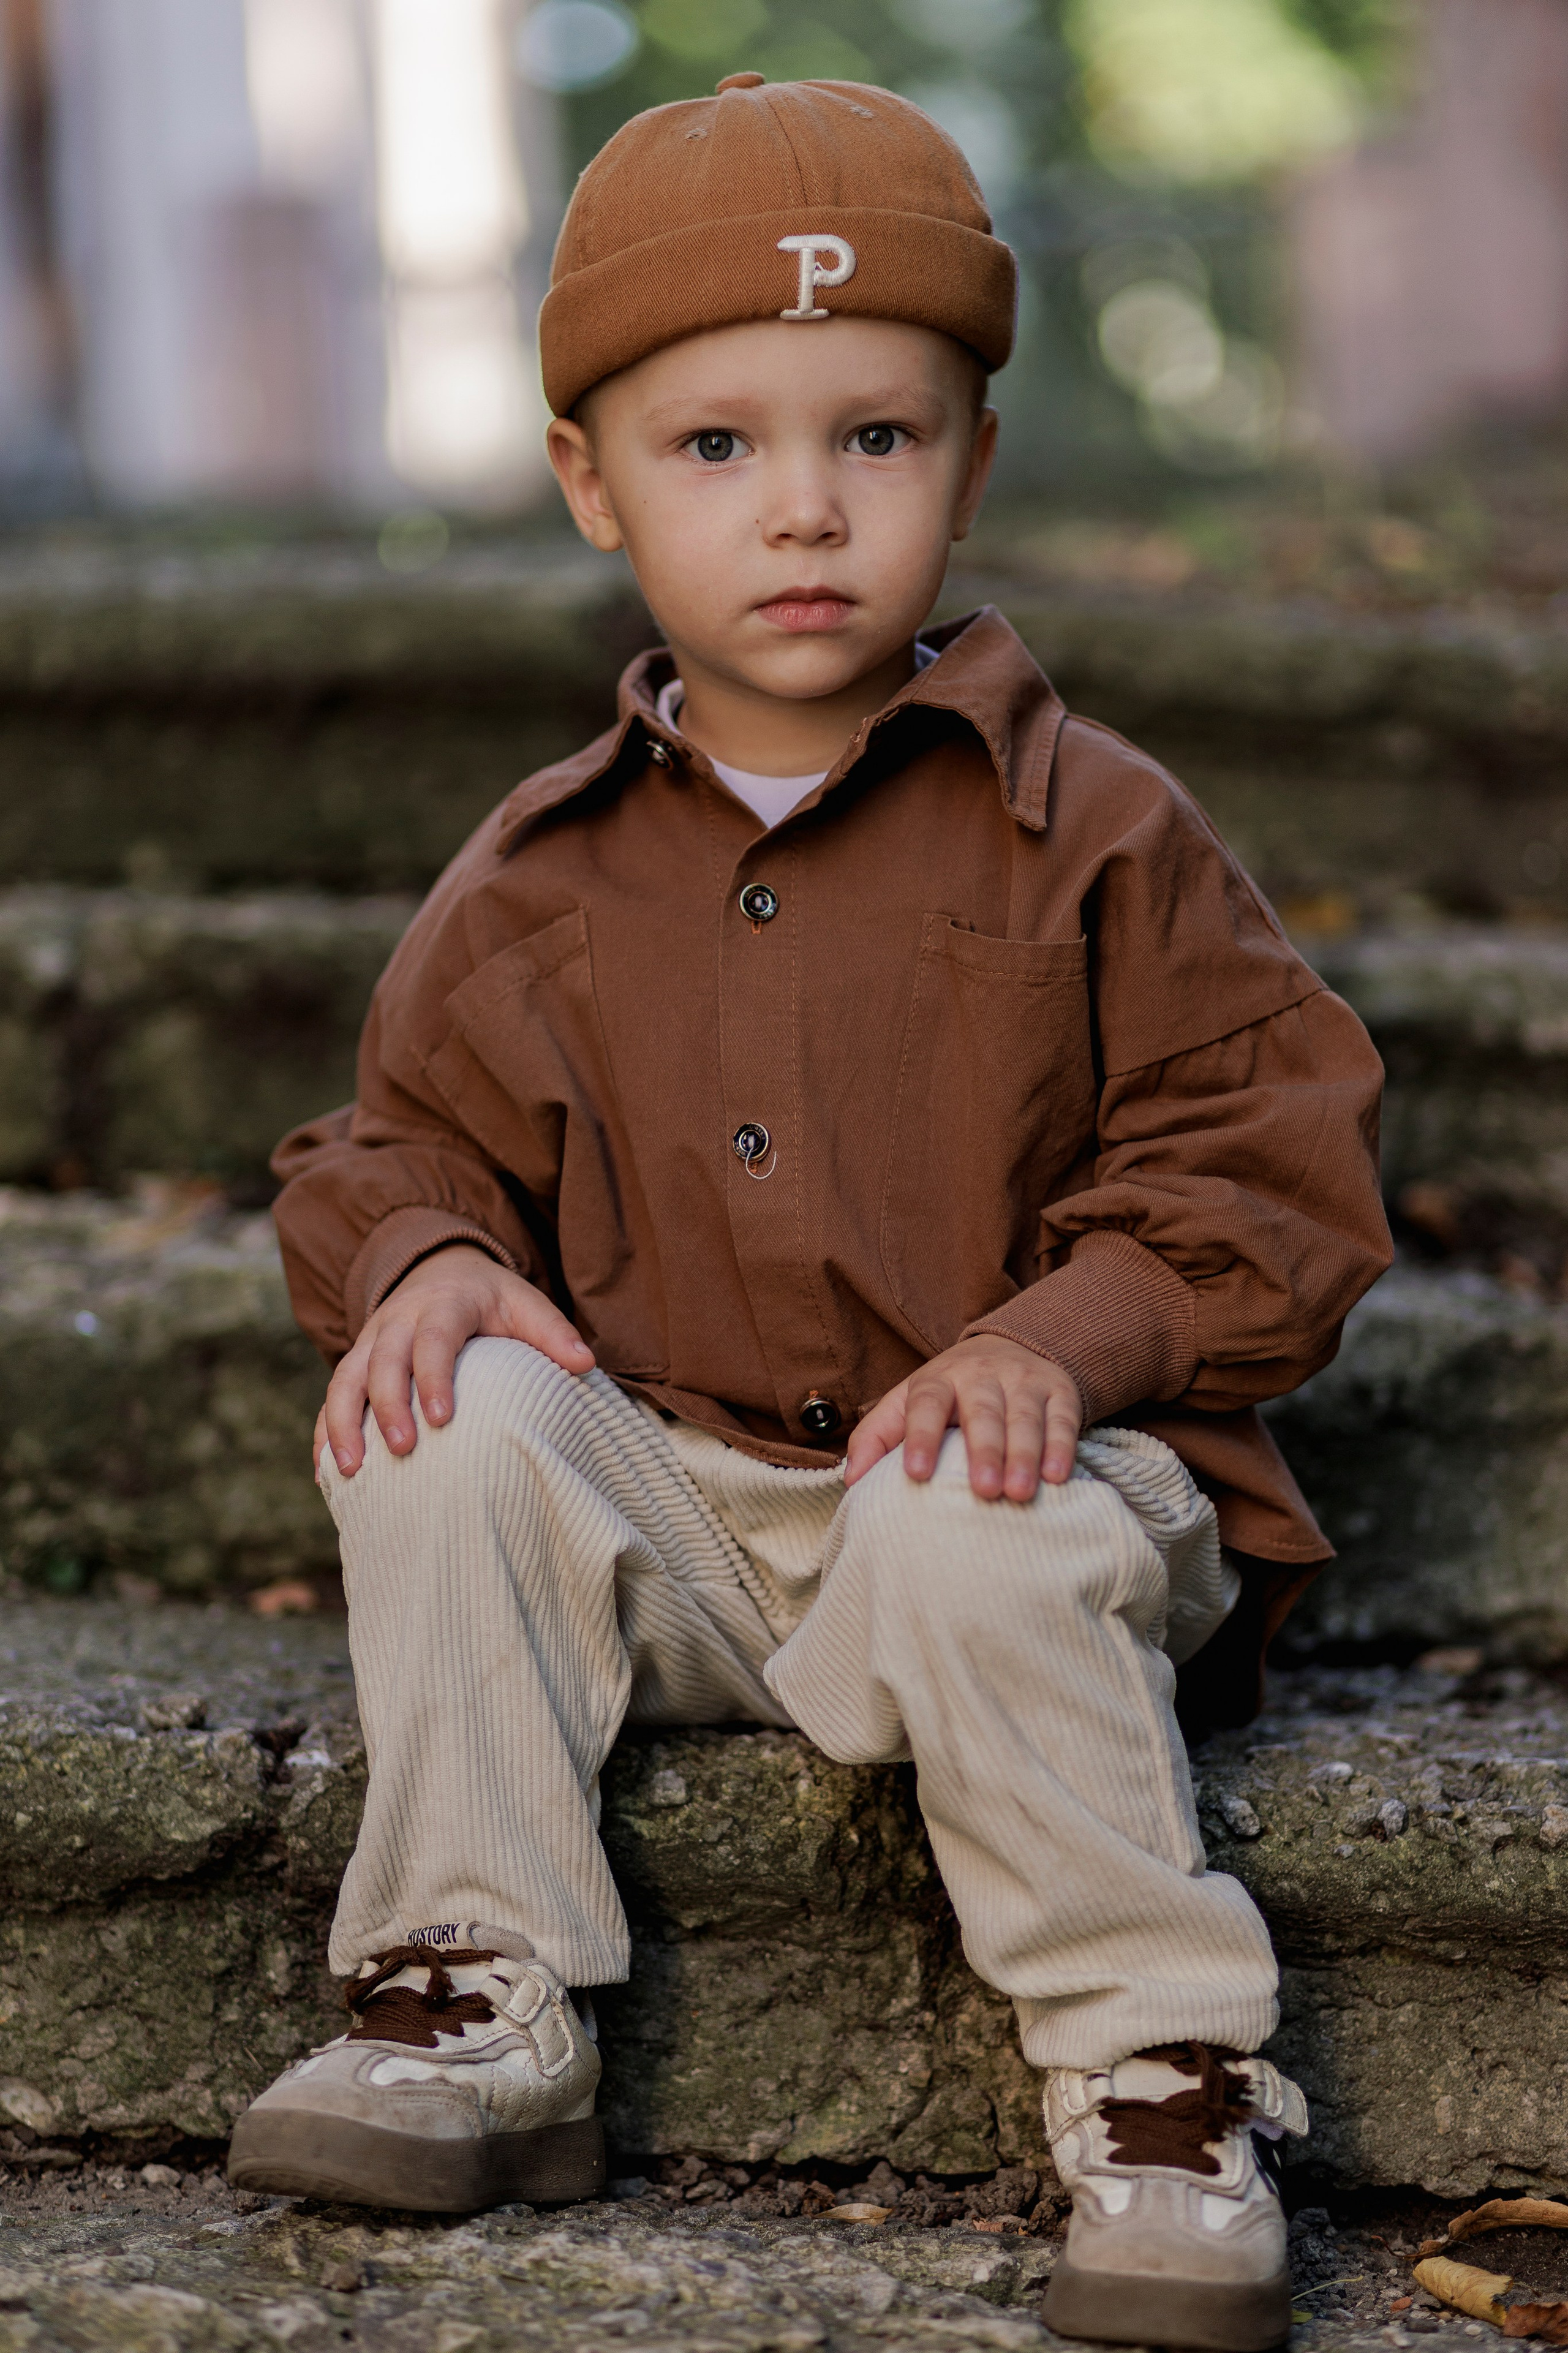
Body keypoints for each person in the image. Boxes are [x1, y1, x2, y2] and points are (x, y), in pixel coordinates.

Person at [230, 74, 1391, 2351]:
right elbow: (391, 1146)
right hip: (684, 1516)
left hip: (1005, 1516)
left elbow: (1269, 1148)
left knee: (979, 1499)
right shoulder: (542, 870)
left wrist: (1056, 1341)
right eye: (716, 447)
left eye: (878, 439)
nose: (806, 512)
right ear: (590, 483)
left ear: (970, 456)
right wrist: (435, 1254)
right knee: (442, 1399)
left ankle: (1162, 2068)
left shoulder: (1099, 833)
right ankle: (475, 1981)